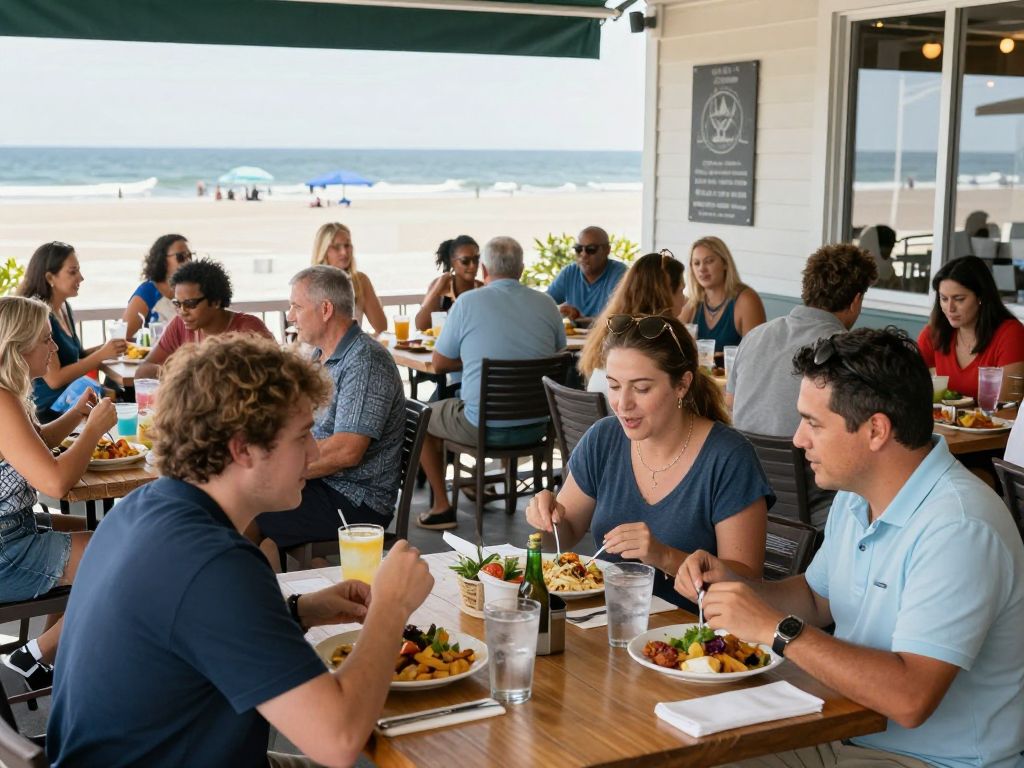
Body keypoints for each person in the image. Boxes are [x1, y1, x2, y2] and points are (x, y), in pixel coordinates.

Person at [47, 335, 434, 767]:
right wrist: (391, 606)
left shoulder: (142, 506)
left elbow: (192, 629)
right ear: (242, 448)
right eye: (303, 435)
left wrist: (301, 610)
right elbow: (339, 739)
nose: (313, 452)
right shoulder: (215, 563)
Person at [677, 328, 1024, 768]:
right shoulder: (856, 496)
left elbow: (910, 698)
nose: (798, 438)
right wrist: (733, 589)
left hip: (932, 759)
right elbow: (817, 598)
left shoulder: (959, 527)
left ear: (876, 430)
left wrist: (776, 630)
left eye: (813, 423)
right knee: (686, 754)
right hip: (847, 732)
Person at [526, 314, 772, 610]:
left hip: (693, 639)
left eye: (641, 388)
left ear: (682, 385)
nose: (622, 403)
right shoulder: (604, 438)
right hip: (607, 623)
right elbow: (562, 537)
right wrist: (545, 519)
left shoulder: (729, 458)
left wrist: (663, 556)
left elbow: (749, 583)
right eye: (614, 386)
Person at [250, 266, 405, 569]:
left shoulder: (365, 362)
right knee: (245, 502)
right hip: (326, 486)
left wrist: (280, 470)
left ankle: (249, 605)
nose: (290, 315)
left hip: (356, 499)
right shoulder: (321, 355)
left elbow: (347, 451)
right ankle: (279, 596)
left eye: (296, 306)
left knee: (246, 508)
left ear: (325, 310)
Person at [0, 296, 116, 693]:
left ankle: (54, 652)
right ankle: (34, 654)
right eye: (46, 341)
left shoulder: (6, 394)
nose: (53, 351)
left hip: (12, 525)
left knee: (96, 529)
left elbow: (28, 445)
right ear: (18, 346)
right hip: (5, 547)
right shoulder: (1, 401)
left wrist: (77, 416)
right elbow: (55, 483)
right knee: (117, 553)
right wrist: (93, 430)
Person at [417, 236, 567, 530]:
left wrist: (476, 361)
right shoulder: (547, 304)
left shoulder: (468, 302)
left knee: (423, 415)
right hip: (537, 427)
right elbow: (558, 354)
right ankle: (475, 483)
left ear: (484, 268)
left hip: (483, 427)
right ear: (522, 269)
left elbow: (439, 363)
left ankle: (441, 506)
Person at [727, 244, 877, 528]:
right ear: (856, 300)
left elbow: (732, 405)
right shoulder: (844, 353)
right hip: (816, 507)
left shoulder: (755, 337)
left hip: (745, 496)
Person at [17, 241, 127, 422]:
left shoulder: (63, 308)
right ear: (50, 278)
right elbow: (55, 379)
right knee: (121, 398)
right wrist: (102, 355)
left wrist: (109, 347)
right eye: (73, 271)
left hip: (73, 396)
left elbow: (77, 356)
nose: (81, 278)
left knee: (120, 394)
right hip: (51, 407)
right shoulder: (41, 317)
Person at [136, 258, 273, 378]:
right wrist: (178, 371)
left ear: (215, 301)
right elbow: (142, 371)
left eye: (190, 304)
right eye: (177, 304)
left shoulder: (248, 330)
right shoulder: (180, 324)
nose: (182, 311)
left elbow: (275, 376)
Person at [579, 250, 686, 397]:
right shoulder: (657, 339)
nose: (685, 299)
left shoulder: (612, 329)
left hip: (602, 416)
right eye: (681, 290)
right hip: (627, 416)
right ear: (666, 295)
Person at [917, 255, 1024, 400]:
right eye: (944, 298)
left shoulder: (1011, 334)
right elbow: (911, 390)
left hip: (993, 421)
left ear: (981, 297)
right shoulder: (933, 334)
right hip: (939, 422)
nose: (950, 308)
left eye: (959, 299)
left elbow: (1007, 407)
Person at [680, 236, 766, 352]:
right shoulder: (692, 303)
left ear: (725, 263)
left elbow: (756, 354)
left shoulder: (746, 300)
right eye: (696, 263)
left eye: (709, 261)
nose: (702, 269)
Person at [312, 222, 387, 334]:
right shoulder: (310, 283)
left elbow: (381, 327)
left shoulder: (360, 281)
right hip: (315, 350)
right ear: (323, 250)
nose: (344, 252)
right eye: (336, 247)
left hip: (350, 349)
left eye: (347, 245)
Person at [547, 226, 628, 322]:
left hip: (607, 336)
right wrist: (559, 310)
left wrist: (582, 320)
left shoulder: (620, 274)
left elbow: (622, 318)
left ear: (607, 250)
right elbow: (543, 303)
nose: (584, 254)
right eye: (578, 249)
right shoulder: (570, 272)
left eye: (591, 249)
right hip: (573, 337)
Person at [121, 233, 193, 340]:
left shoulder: (195, 290)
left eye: (189, 256)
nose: (188, 261)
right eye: (181, 257)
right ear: (162, 260)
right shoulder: (148, 292)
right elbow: (122, 338)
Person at [414, 235, 483, 332]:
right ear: (452, 263)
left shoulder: (482, 289)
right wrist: (436, 291)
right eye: (465, 261)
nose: (472, 265)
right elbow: (420, 326)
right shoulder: (440, 285)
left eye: (476, 259)